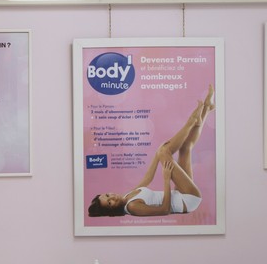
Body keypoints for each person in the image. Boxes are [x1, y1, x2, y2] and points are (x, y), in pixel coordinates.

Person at [88, 87, 214, 217]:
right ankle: (191, 122)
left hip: (180, 194)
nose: (112, 197)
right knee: (165, 151)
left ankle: (207, 108)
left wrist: (157, 155)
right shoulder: (132, 207)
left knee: (185, 148)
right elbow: (164, 210)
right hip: (187, 200)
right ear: (112, 210)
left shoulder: (126, 197)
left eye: (107, 195)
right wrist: (166, 180)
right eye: (110, 203)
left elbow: (147, 179)